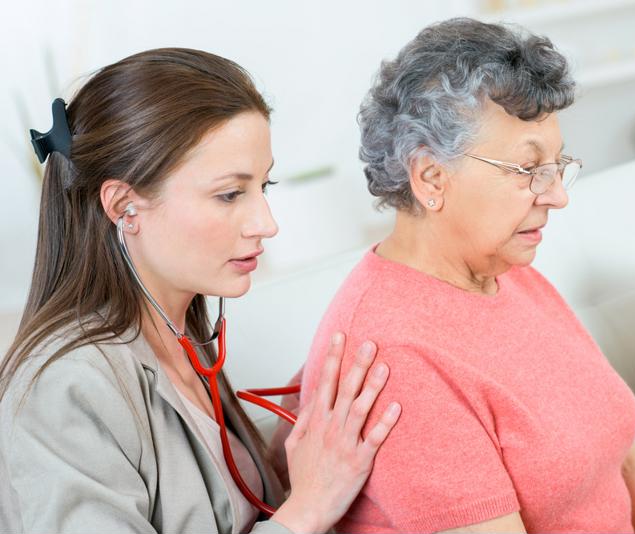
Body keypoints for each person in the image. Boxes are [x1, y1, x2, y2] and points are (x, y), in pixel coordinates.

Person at [300, 18, 635, 533]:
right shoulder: (395, 358)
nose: (558, 194)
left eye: (558, 164)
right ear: (431, 176)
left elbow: (629, 463)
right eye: (528, 169)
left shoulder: (506, 269)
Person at [0, 48, 400, 534]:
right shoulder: (67, 387)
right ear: (125, 206)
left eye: (263, 187)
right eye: (230, 194)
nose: (266, 224)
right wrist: (308, 509)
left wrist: (280, 470)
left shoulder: (180, 335)